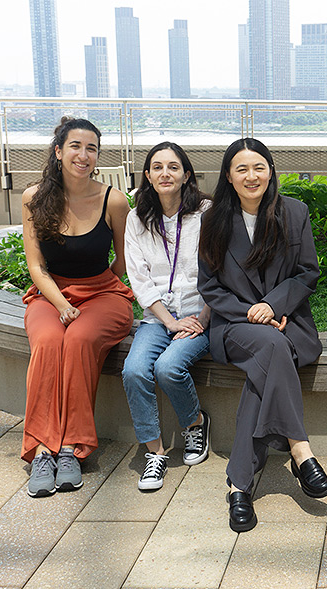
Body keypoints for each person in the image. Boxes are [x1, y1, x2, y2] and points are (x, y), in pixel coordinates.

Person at [198, 138, 327, 532]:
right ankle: (300, 449)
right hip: (235, 324)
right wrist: (251, 313)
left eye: (258, 167)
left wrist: (274, 305)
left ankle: (239, 486)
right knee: (273, 346)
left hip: (286, 320)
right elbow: (209, 286)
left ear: (271, 170)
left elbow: (307, 272)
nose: (251, 176)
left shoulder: (294, 212)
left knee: (266, 366)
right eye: (241, 169)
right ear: (228, 176)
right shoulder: (213, 221)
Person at [21, 117, 134, 497]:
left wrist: (99, 288)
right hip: (50, 294)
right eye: (75, 146)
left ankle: (71, 447)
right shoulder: (34, 198)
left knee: (80, 340)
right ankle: (42, 449)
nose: (83, 155)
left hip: (103, 295)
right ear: (58, 151)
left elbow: (123, 260)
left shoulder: (113, 199)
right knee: (49, 342)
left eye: (91, 148)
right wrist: (61, 304)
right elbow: (36, 266)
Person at [122, 142, 212, 492]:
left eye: (173, 167)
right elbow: (139, 278)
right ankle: (155, 452)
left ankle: (195, 423)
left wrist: (203, 318)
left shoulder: (206, 213)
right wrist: (169, 321)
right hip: (158, 318)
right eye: (157, 167)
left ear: (186, 175)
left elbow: (220, 271)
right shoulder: (136, 219)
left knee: (168, 367)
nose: (165, 173)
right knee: (133, 370)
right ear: (147, 175)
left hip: (201, 314)